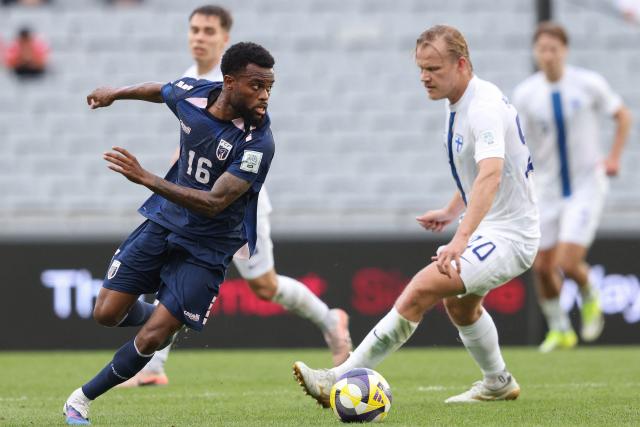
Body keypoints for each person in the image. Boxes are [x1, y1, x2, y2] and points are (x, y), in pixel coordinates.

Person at [293, 24, 540, 405]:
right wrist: (450, 210)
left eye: (434, 69)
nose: (425, 77)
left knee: (422, 288)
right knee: (461, 305)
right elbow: (479, 174)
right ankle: (498, 382)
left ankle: (338, 378)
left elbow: (491, 173)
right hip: (491, 226)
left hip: (511, 234)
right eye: (421, 69)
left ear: (461, 64)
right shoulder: (457, 100)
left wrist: (459, 238)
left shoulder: (484, 106)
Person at [119, 5, 351, 388]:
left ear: (225, 38)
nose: (199, 37)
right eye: (194, 29)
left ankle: (330, 319)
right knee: (169, 266)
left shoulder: (243, 79)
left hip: (234, 205)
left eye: (209, 31)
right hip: (192, 201)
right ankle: (153, 366)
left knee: (265, 286)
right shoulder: (191, 80)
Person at [63, 41, 277, 425]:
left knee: (150, 339)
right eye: (256, 86)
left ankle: (80, 400)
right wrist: (115, 93)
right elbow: (160, 90)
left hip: (210, 247)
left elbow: (214, 202)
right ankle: (165, 318)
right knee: (107, 314)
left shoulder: (257, 143)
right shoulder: (194, 95)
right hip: (164, 222)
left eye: (269, 88)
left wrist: (146, 178)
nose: (264, 97)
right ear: (229, 83)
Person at [513, 22, 632, 353]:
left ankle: (589, 287)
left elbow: (622, 115)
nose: (547, 55)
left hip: (585, 184)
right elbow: (519, 143)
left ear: (564, 50)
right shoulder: (526, 94)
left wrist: (613, 158)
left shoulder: (588, 84)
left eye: (553, 48)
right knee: (541, 266)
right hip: (548, 187)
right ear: (535, 53)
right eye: (542, 49)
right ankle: (561, 329)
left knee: (566, 261)